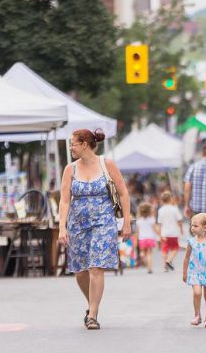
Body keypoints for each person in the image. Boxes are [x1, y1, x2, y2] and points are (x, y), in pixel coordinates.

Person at [58, 129, 131, 330]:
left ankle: (93, 315)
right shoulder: (70, 169)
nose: (71, 147)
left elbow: (123, 193)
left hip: (103, 222)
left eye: (73, 143)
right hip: (78, 225)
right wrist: (61, 228)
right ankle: (91, 304)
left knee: (95, 267)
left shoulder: (106, 164)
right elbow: (64, 200)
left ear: (85, 144)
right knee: (80, 271)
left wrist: (126, 221)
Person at [183, 213, 206, 328]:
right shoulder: (191, 241)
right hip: (194, 272)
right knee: (197, 293)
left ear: (205, 227)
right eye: (191, 225)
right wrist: (185, 272)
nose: (192, 228)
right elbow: (186, 257)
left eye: (195, 226)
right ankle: (197, 314)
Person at [157, 191, 183, 272]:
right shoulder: (174, 209)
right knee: (175, 248)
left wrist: (159, 234)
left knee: (165, 249)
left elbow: (159, 223)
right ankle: (169, 260)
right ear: (171, 199)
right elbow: (179, 220)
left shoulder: (160, 210)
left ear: (162, 200)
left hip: (164, 233)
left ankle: (165, 266)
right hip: (173, 232)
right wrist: (181, 229)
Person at [136, 202, 158, 274]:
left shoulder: (139, 221)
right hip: (150, 238)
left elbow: (137, 232)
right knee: (149, 254)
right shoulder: (152, 219)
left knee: (143, 252)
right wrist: (159, 235)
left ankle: (142, 255)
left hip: (142, 239)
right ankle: (149, 268)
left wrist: (136, 240)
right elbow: (155, 229)